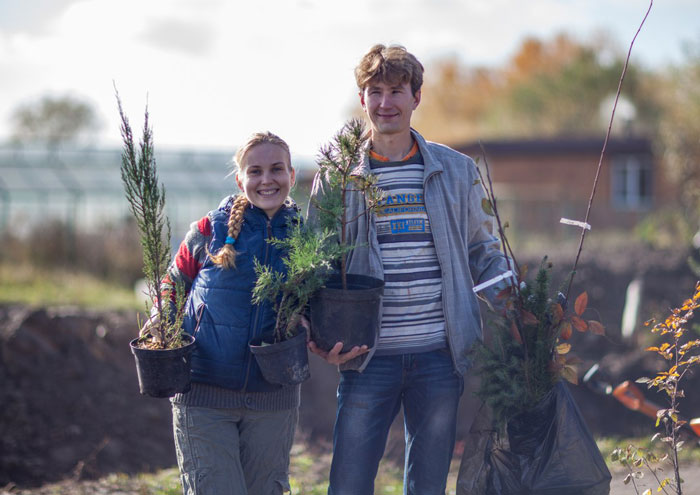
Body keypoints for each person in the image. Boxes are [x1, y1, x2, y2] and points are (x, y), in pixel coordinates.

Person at [307, 44, 512, 495]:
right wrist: (317, 335)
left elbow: (483, 250)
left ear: (416, 97)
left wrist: (513, 300)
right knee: (349, 483)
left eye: (396, 91)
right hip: (366, 357)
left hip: (439, 356)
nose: (385, 103)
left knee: (428, 483)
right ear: (362, 99)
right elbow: (315, 263)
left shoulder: (456, 171)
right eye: (374, 91)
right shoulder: (338, 175)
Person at [154, 132, 300, 495]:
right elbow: (174, 281)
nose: (267, 179)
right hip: (204, 396)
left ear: (291, 176)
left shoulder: (304, 234)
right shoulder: (211, 229)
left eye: (276, 169)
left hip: (273, 399)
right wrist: (160, 324)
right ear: (240, 180)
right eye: (256, 171)